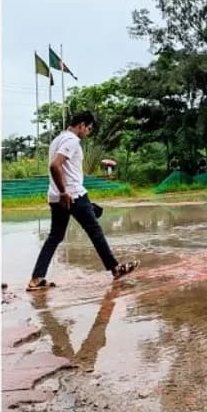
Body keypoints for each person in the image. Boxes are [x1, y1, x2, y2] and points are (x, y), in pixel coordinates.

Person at [27, 112, 138, 291]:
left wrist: (60, 193)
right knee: (95, 231)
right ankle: (115, 269)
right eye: (88, 129)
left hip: (56, 196)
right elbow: (54, 165)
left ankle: (37, 278)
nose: (88, 132)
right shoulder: (71, 141)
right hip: (72, 195)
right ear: (81, 125)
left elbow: (59, 167)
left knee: (55, 236)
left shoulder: (57, 140)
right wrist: (64, 192)